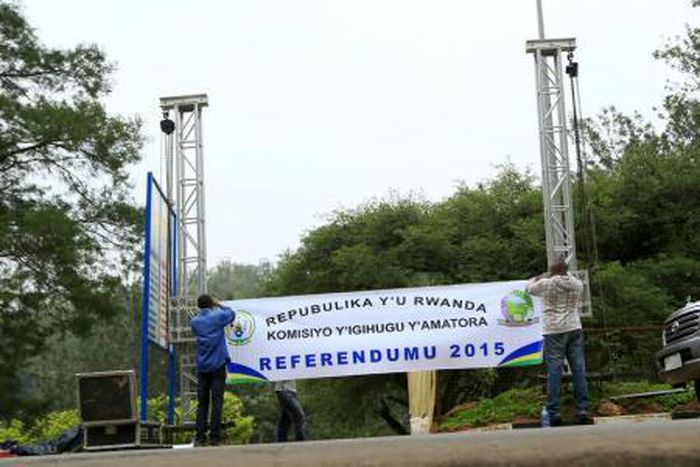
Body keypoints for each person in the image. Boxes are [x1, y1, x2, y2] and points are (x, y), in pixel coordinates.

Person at [526, 260, 589, 427]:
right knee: (578, 369)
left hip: (553, 330)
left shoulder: (546, 284)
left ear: (551, 271)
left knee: (554, 370)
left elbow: (529, 288)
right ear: (566, 270)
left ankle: (554, 411)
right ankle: (582, 409)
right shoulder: (577, 284)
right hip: (574, 327)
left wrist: (540, 276)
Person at [191, 294, 236, 446]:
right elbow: (231, 313)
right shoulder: (217, 317)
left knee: (202, 403)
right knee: (217, 402)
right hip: (218, 366)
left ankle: (199, 438)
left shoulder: (194, 322)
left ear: (199, 306)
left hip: (202, 367)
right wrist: (219, 304)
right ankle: (215, 437)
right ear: (211, 304)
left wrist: (212, 305)